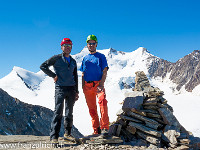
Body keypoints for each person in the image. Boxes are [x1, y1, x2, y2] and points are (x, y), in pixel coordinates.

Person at [40, 38, 79, 144]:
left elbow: (75, 76)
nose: (67, 47)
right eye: (65, 45)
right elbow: (43, 66)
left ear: (71, 48)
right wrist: (53, 75)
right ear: (61, 47)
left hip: (71, 89)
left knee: (69, 113)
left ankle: (67, 134)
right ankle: (54, 137)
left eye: (69, 46)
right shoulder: (56, 58)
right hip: (60, 88)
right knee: (58, 112)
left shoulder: (73, 61)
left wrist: (77, 91)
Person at [80, 34, 109, 137]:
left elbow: (104, 71)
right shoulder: (85, 58)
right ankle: (96, 130)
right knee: (92, 109)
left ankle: (105, 127)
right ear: (87, 45)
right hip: (87, 86)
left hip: (98, 84)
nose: (91, 45)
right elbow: (83, 73)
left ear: (96, 44)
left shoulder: (101, 57)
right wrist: (83, 87)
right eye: (89, 43)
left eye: (93, 43)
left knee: (103, 103)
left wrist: (101, 84)